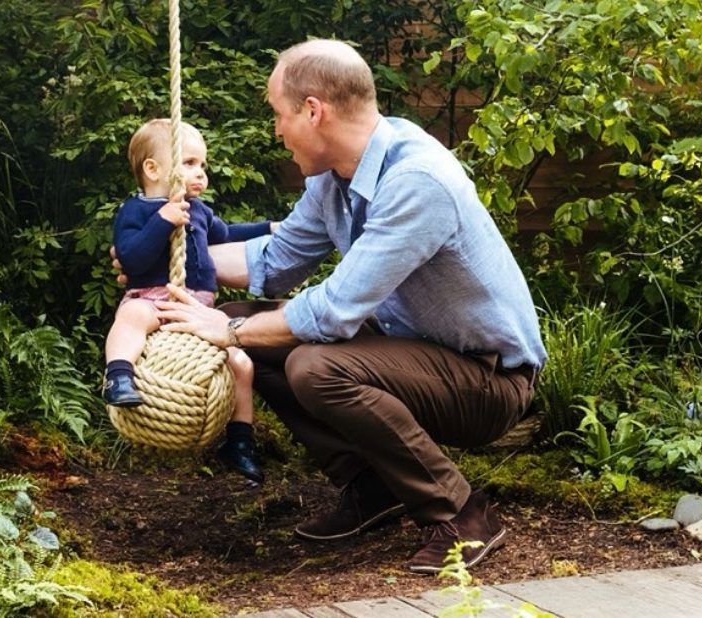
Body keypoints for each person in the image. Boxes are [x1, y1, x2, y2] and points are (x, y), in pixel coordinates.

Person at [150, 39, 547, 573]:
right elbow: (278, 258)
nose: (276, 130)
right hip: (412, 356)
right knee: (251, 324)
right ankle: (372, 486)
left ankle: (462, 514)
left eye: (279, 114)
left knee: (312, 365)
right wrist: (158, 256)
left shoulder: (417, 181)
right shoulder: (333, 178)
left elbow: (335, 310)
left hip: (489, 381)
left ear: (313, 111)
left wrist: (231, 333)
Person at [105, 118, 275, 484]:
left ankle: (240, 441)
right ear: (153, 169)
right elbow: (132, 258)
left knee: (241, 363)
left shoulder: (198, 210)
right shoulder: (134, 211)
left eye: (203, 165)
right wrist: (163, 221)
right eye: (190, 163)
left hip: (198, 310)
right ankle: (118, 376)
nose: (201, 174)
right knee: (132, 314)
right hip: (153, 300)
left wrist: (270, 227)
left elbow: (227, 234)